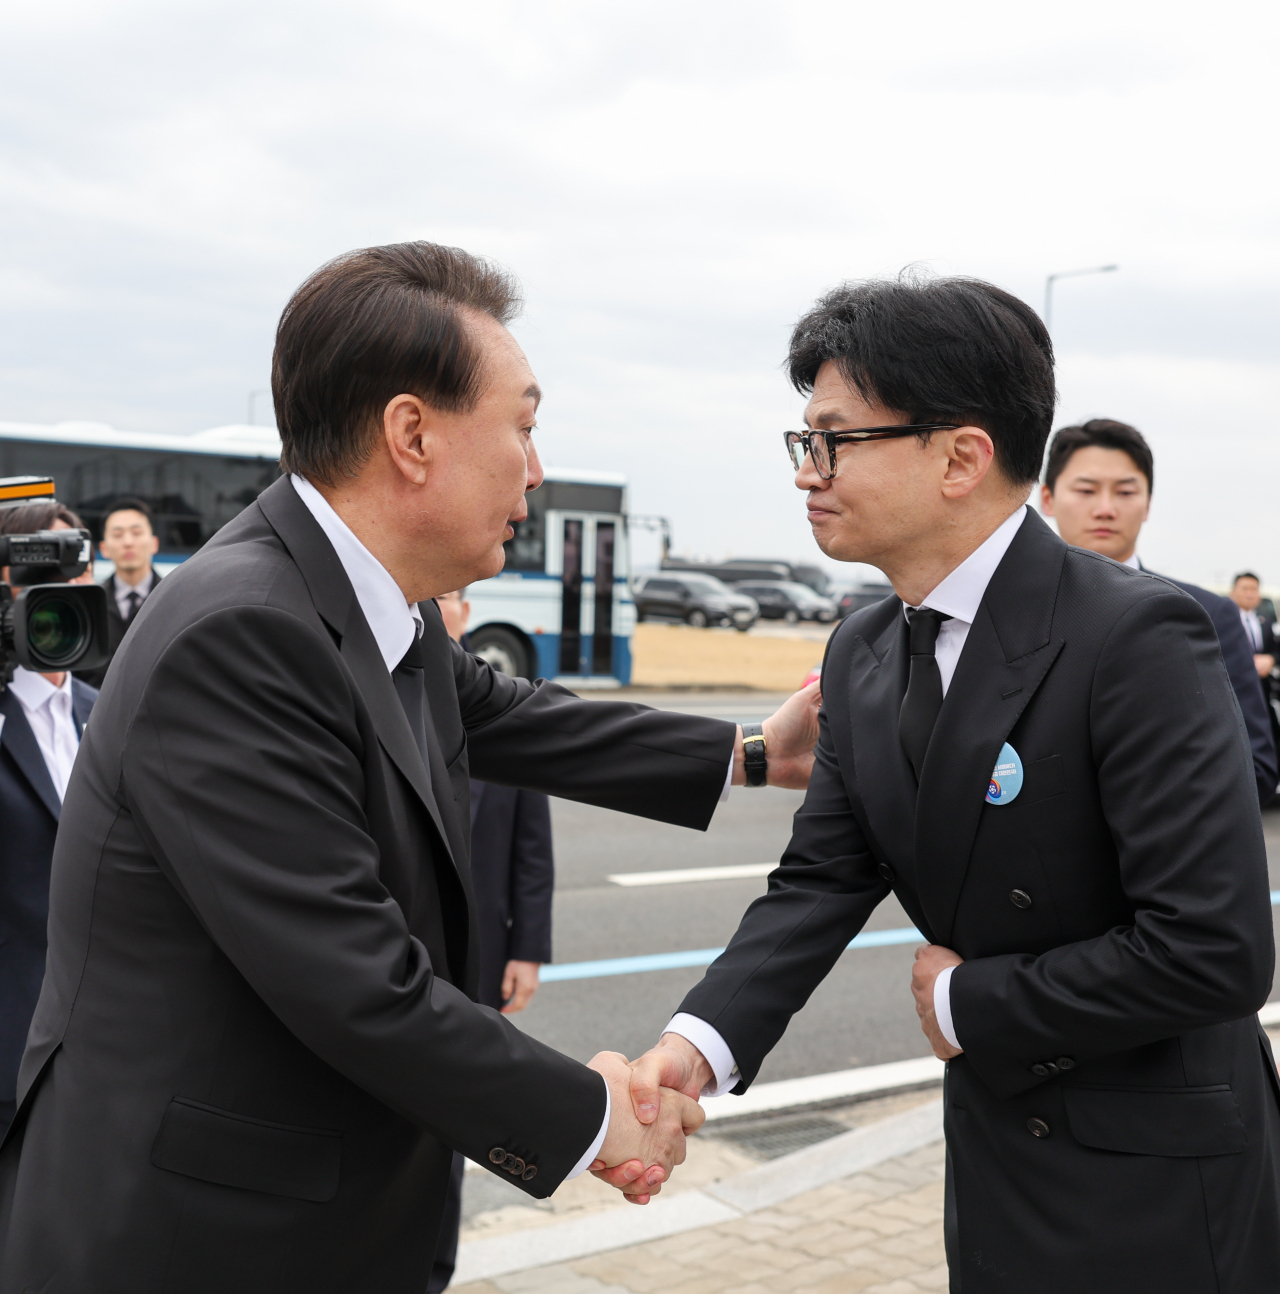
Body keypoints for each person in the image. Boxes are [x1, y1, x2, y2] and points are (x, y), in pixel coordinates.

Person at [0, 241, 821, 1294]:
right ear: (411, 433)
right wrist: (597, 1116)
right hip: (191, 1238)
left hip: (300, 1217)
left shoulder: (359, 602)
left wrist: (753, 752)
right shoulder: (241, 631)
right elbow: (353, 980)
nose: (534, 467)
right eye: (522, 426)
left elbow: (509, 717)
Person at [620, 276, 1280, 1292]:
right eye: (802, 440)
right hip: (995, 1155)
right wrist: (692, 1049)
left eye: (835, 440)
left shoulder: (1134, 637)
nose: (808, 471)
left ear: (961, 457)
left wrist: (971, 1001)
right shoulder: (863, 650)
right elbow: (819, 881)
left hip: (1154, 1174)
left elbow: (1214, 950)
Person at [1039, 419, 1277, 804]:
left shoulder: (1205, 614)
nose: (1105, 508)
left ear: (1147, 503)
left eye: (1125, 491)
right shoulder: (1006, 610)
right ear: (1047, 499)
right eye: (1085, 490)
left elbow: (1257, 767)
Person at [429, 586, 556, 1293]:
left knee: (454, 1118)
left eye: (451, 598)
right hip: (405, 959)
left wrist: (527, 949)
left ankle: (437, 1267)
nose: (439, 607)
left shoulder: (495, 704)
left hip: (479, 954)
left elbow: (531, 850)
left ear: (467, 614)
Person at [0, 500, 99, 1137]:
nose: (62, 591)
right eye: (39, 572)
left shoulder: (111, 708)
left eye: (75, 567)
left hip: (98, 1059)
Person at [75, 496, 161, 689]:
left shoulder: (175, 600)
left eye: (136, 533)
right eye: (118, 534)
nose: (128, 542)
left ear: (154, 543)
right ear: (104, 548)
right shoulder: (88, 604)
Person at [1229, 571, 1277, 691]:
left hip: (1262, 688)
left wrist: (1270, 659)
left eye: (1254, 589)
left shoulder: (1266, 621)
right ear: (1233, 592)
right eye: (1245, 589)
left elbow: (1275, 648)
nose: (1250, 594)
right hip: (1235, 686)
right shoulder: (1223, 621)